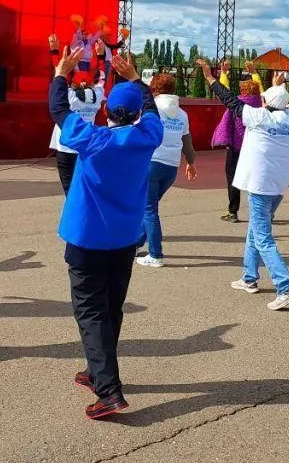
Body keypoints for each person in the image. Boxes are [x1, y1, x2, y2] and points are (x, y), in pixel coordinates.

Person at [51, 48, 163, 419]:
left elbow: (59, 111)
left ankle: (110, 392)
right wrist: (135, 79)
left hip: (87, 238)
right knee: (110, 307)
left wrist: (60, 74)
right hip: (124, 238)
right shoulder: (147, 136)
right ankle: (96, 371)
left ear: (106, 110)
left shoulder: (93, 138)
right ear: (136, 115)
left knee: (90, 311)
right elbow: (152, 111)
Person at [201, 59, 289, 309]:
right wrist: (277, 88)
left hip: (260, 185)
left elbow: (232, 102)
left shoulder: (259, 118)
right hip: (277, 185)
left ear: (266, 104)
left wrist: (212, 79)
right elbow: (282, 104)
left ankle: (285, 285)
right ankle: (249, 277)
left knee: (264, 238)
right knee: (254, 232)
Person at [136, 74, 196, 269]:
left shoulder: (151, 109)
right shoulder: (182, 113)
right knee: (148, 206)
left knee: (148, 209)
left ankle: (155, 254)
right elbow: (186, 141)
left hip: (151, 162)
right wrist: (191, 162)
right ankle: (136, 243)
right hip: (171, 166)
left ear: (154, 87)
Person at [211, 76, 262, 223]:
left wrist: (225, 140)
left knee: (232, 177)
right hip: (255, 147)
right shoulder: (261, 105)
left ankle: (233, 211)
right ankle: (261, 212)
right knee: (256, 179)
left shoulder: (237, 104)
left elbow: (227, 124)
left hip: (236, 146)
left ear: (243, 90)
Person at [50, 72, 105, 192]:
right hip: (85, 145)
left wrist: (62, 71)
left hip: (65, 146)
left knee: (68, 187)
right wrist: (101, 58)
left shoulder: (70, 96)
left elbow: (57, 90)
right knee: (84, 186)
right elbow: (101, 79)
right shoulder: (99, 94)